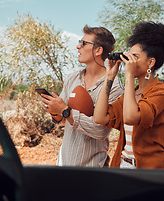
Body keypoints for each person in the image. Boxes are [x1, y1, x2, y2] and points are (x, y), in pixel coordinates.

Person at [94, 21, 164, 169]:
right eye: (128, 56)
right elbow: (99, 117)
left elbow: (132, 117)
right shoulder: (132, 93)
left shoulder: (162, 92)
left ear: (150, 62)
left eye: (135, 57)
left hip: (148, 171)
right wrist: (109, 77)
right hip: (122, 165)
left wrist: (129, 76)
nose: (129, 61)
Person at [41, 25, 123, 167]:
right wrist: (54, 111)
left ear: (98, 50)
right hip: (64, 162)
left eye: (83, 43)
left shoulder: (114, 87)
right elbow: (61, 121)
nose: (78, 46)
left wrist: (65, 111)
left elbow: (100, 131)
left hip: (92, 168)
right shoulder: (72, 78)